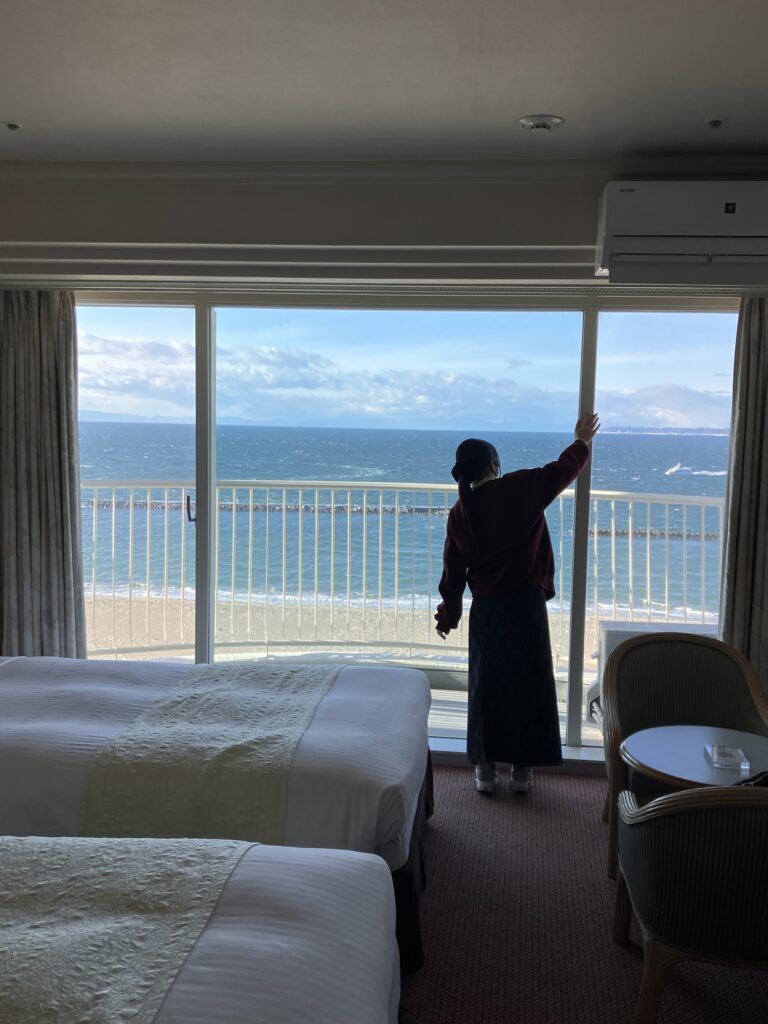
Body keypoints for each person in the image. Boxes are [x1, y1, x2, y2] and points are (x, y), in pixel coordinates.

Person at [434, 414, 600, 795]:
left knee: (487, 688)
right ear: (494, 464)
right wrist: (581, 441)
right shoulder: (518, 489)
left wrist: (449, 615)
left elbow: (453, 572)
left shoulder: (460, 512)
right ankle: (523, 772)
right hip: (525, 608)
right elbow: (562, 471)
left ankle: (485, 770)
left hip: (487, 612)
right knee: (527, 687)